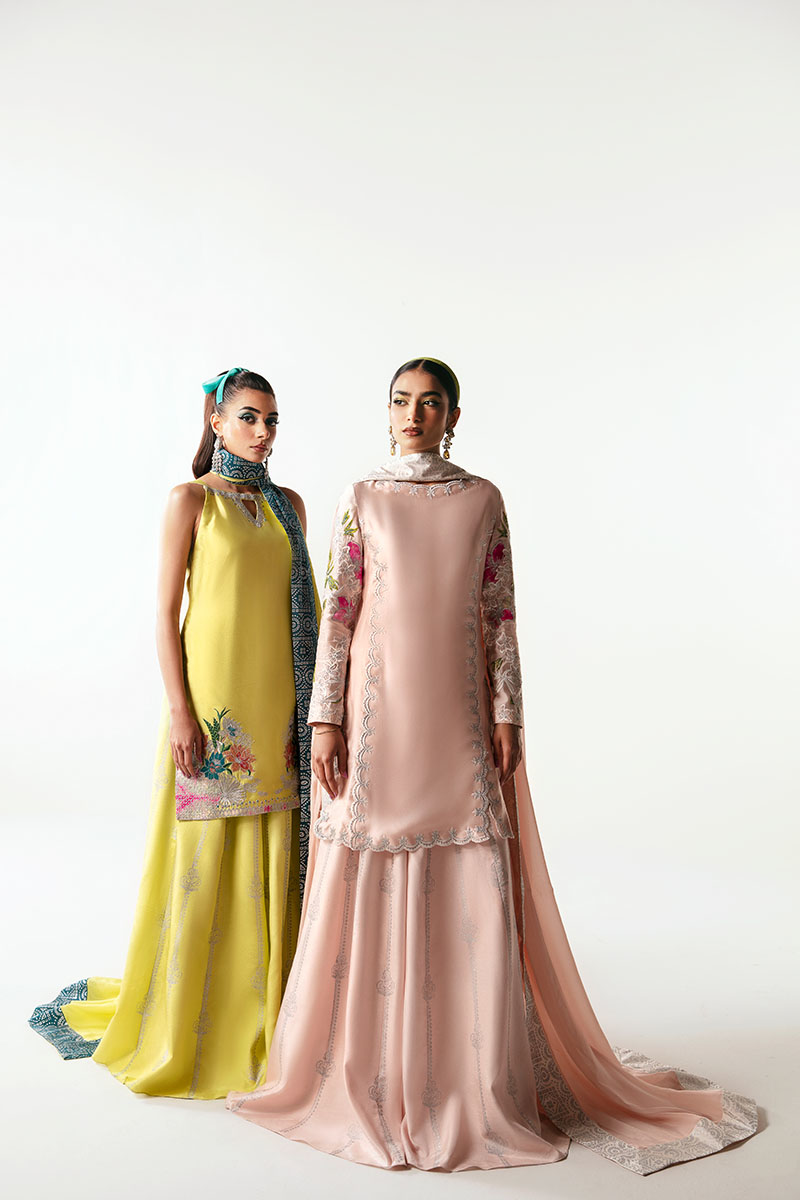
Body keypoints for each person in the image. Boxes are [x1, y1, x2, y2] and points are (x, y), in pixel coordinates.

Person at [227, 357, 757, 1172]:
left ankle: (467, 1075)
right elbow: (341, 612)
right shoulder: (360, 496)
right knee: (368, 850)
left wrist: (509, 710)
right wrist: (324, 717)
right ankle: (365, 1070)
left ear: (453, 416)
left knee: (470, 855)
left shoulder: (483, 499)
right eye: (401, 401)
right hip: (374, 712)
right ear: (387, 412)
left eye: (430, 403)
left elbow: (500, 611)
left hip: (459, 713)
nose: (413, 414)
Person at [29, 368, 320, 1098]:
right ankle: (191, 1012)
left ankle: (266, 1009)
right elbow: (164, 614)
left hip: (278, 708)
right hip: (215, 708)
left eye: (272, 420)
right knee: (203, 851)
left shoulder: (289, 507)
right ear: (216, 421)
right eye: (248, 417)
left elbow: (306, 612)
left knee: (273, 849)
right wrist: (182, 713)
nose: (263, 432)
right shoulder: (190, 502)